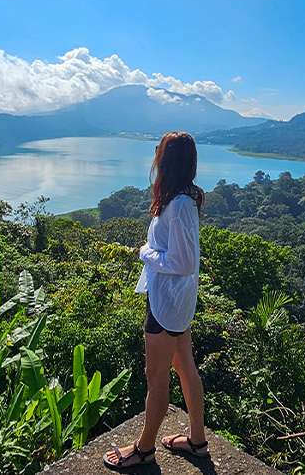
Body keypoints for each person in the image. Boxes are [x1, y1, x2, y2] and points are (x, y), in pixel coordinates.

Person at [103, 131, 208, 470]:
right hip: (175, 301)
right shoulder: (179, 199)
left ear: (167, 161)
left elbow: (183, 262)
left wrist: (145, 253)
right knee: (184, 365)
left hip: (167, 305)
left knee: (156, 375)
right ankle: (197, 441)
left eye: (158, 152)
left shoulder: (179, 205)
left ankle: (144, 449)